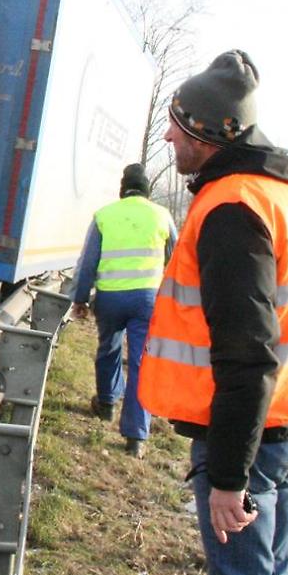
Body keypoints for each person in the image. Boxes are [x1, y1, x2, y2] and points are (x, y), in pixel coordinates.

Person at [138, 50, 288, 575]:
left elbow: (247, 353)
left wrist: (228, 477)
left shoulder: (232, 210)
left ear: (207, 133)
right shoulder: (285, 193)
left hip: (250, 438)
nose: (168, 136)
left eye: (177, 127)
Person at [68, 162, 177, 458]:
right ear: (147, 190)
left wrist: (80, 298)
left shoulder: (105, 215)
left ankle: (106, 404)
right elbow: (177, 258)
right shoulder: (162, 216)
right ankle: (135, 436)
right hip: (147, 300)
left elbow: (87, 263)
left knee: (109, 348)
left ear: (123, 188)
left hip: (110, 298)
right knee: (141, 363)